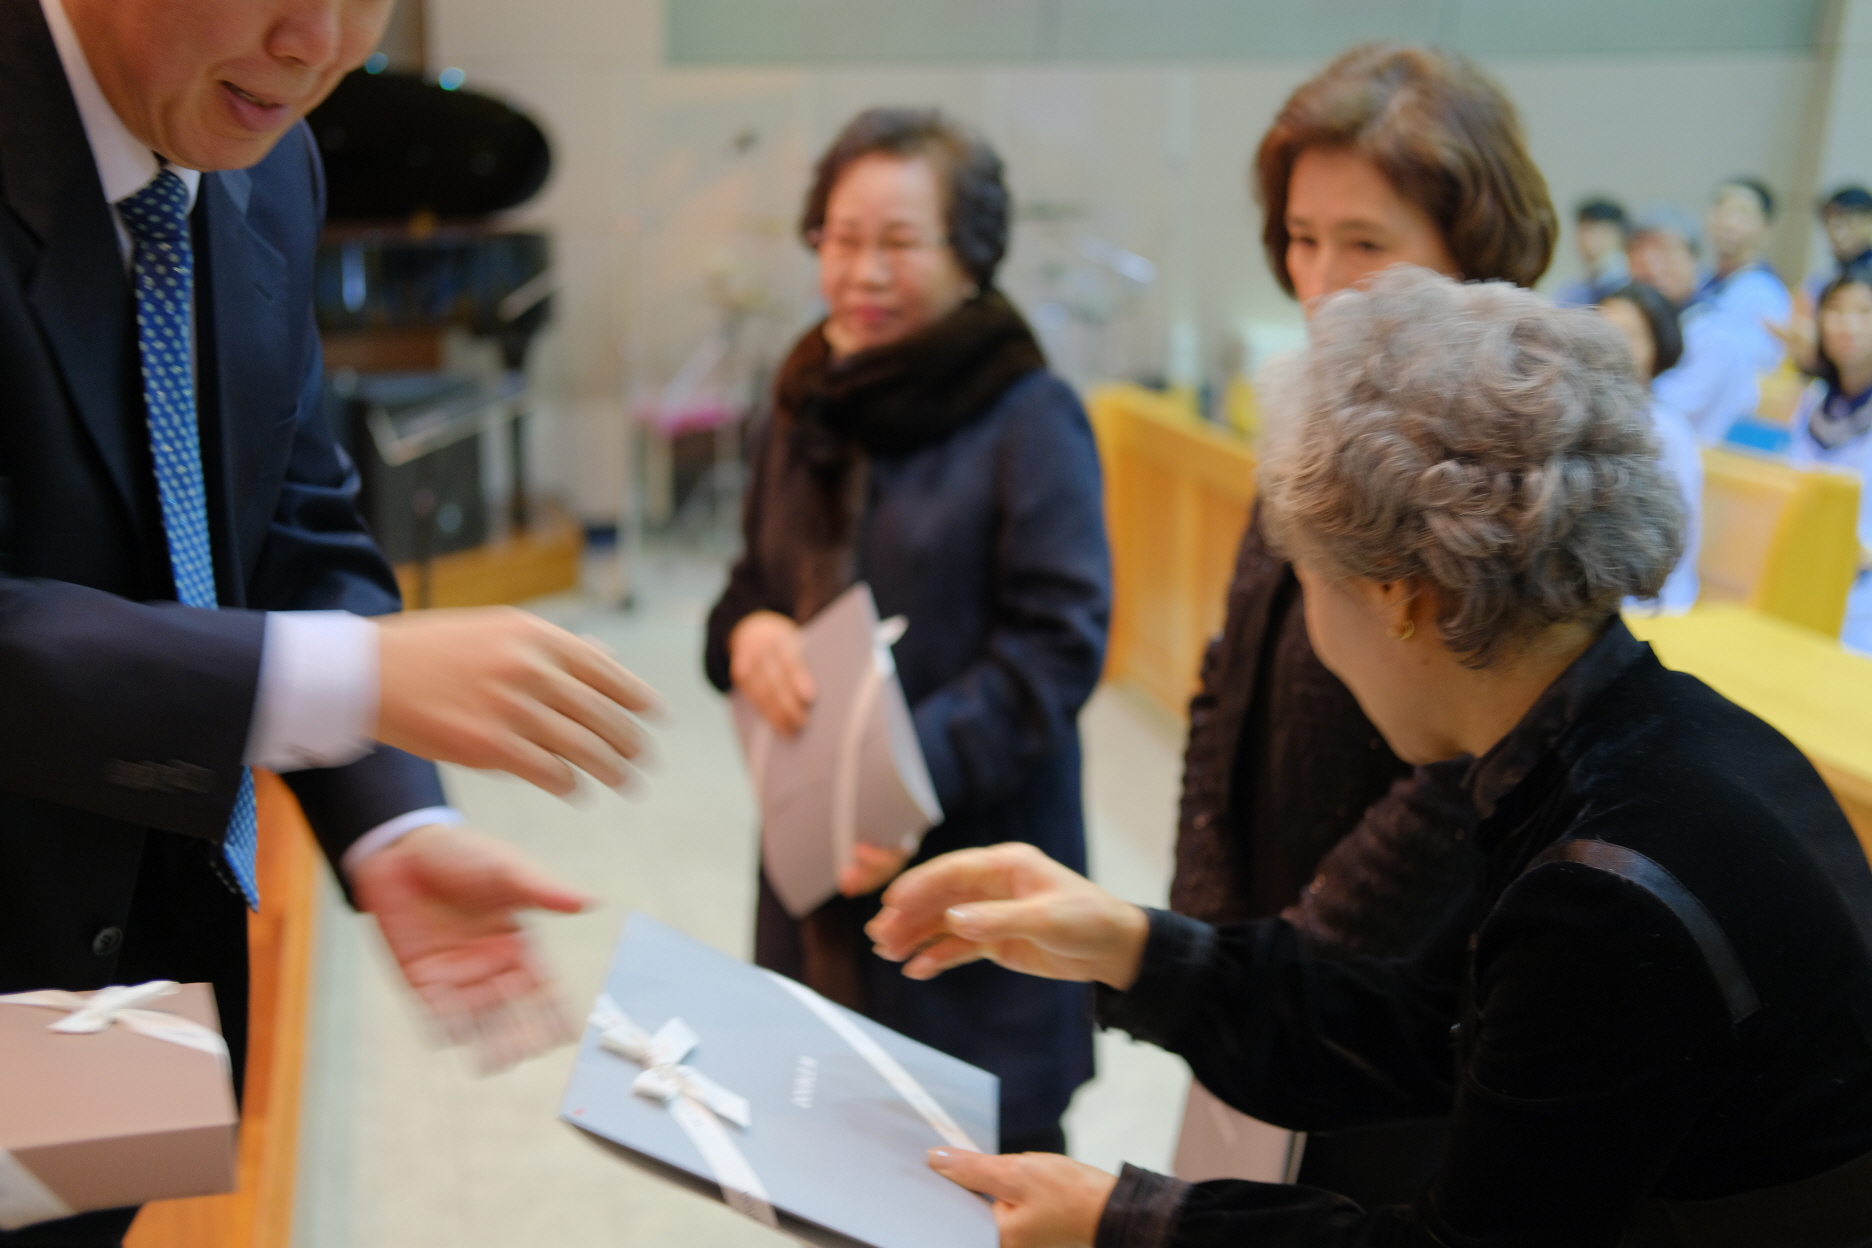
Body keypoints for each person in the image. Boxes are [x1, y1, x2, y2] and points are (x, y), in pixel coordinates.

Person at [870, 267, 1872, 1248]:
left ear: (1399, 595)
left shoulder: (1606, 889)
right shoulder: (1647, 739)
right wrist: (1126, 943)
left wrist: (1121, 1222)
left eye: (1304, 578)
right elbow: (1414, 1029)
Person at [0, 2, 661, 1241]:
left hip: (116, 981)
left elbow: (292, 516)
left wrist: (392, 818)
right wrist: (346, 678)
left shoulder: (271, 163)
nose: (318, 43)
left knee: (72, 1225)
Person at [1169, 43, 1554, 1204]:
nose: (1322, 282)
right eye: (1302, 237)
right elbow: (1227, 680)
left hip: (1400, 1005)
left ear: (1470, 251)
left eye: (1367, 245)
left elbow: (1473, 763)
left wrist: (1293, 962)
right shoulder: (1311, 408)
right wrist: (1210, 929)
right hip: (1268, 967)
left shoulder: (1518, 456)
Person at [703, 107, 1110, 1155]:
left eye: (898, 242)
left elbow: (1058, 646)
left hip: (973, 879)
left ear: (971, 254)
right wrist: (748, 635)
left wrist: (896, 776)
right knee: (823, 1156)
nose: (863, 272)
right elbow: (752, 582)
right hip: (816, 869)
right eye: (841, 239)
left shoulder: (1028, 414)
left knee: (984, 1183)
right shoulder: (803, 399)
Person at [1598, 282, 1703, 612]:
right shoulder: (1576, 417)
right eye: (1603, 332)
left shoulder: (1668, 431)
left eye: (1629, 336)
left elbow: (1677, 539)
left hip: (1648, 602)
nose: (1611, 348)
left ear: (1658, 349)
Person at [1788, 265, 1872, 655]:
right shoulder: (1813, 400)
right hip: (1806, 574)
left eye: (1864, 312)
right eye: (1836, 310)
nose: (1848, 325)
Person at [1627, 204, 1760, 443]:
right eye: (1639, 252)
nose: (1650, 265)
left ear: (1695, 260)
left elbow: (1659, 417)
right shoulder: (1641, 323)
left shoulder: (1715, 333)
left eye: (1664, 252)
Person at [1692, 176, 1791, 375]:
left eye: (1742, 213)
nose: (1728, 222)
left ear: (1766, 229)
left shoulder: (1763, 291)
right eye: (1721, 208)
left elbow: (1753, 365)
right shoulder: (1701, 280)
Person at [1803, 185, 1872, 313]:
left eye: (1849, 221)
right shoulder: (1823, 278)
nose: (1837, 234)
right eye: (1829, 223)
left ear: (1869, 222)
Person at [1553, 196, 1628, 307]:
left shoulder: (1629, 282)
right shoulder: (1575, 288)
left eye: (1591, 230)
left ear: (1616, 234)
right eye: (1581, 229)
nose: (1584, 237)